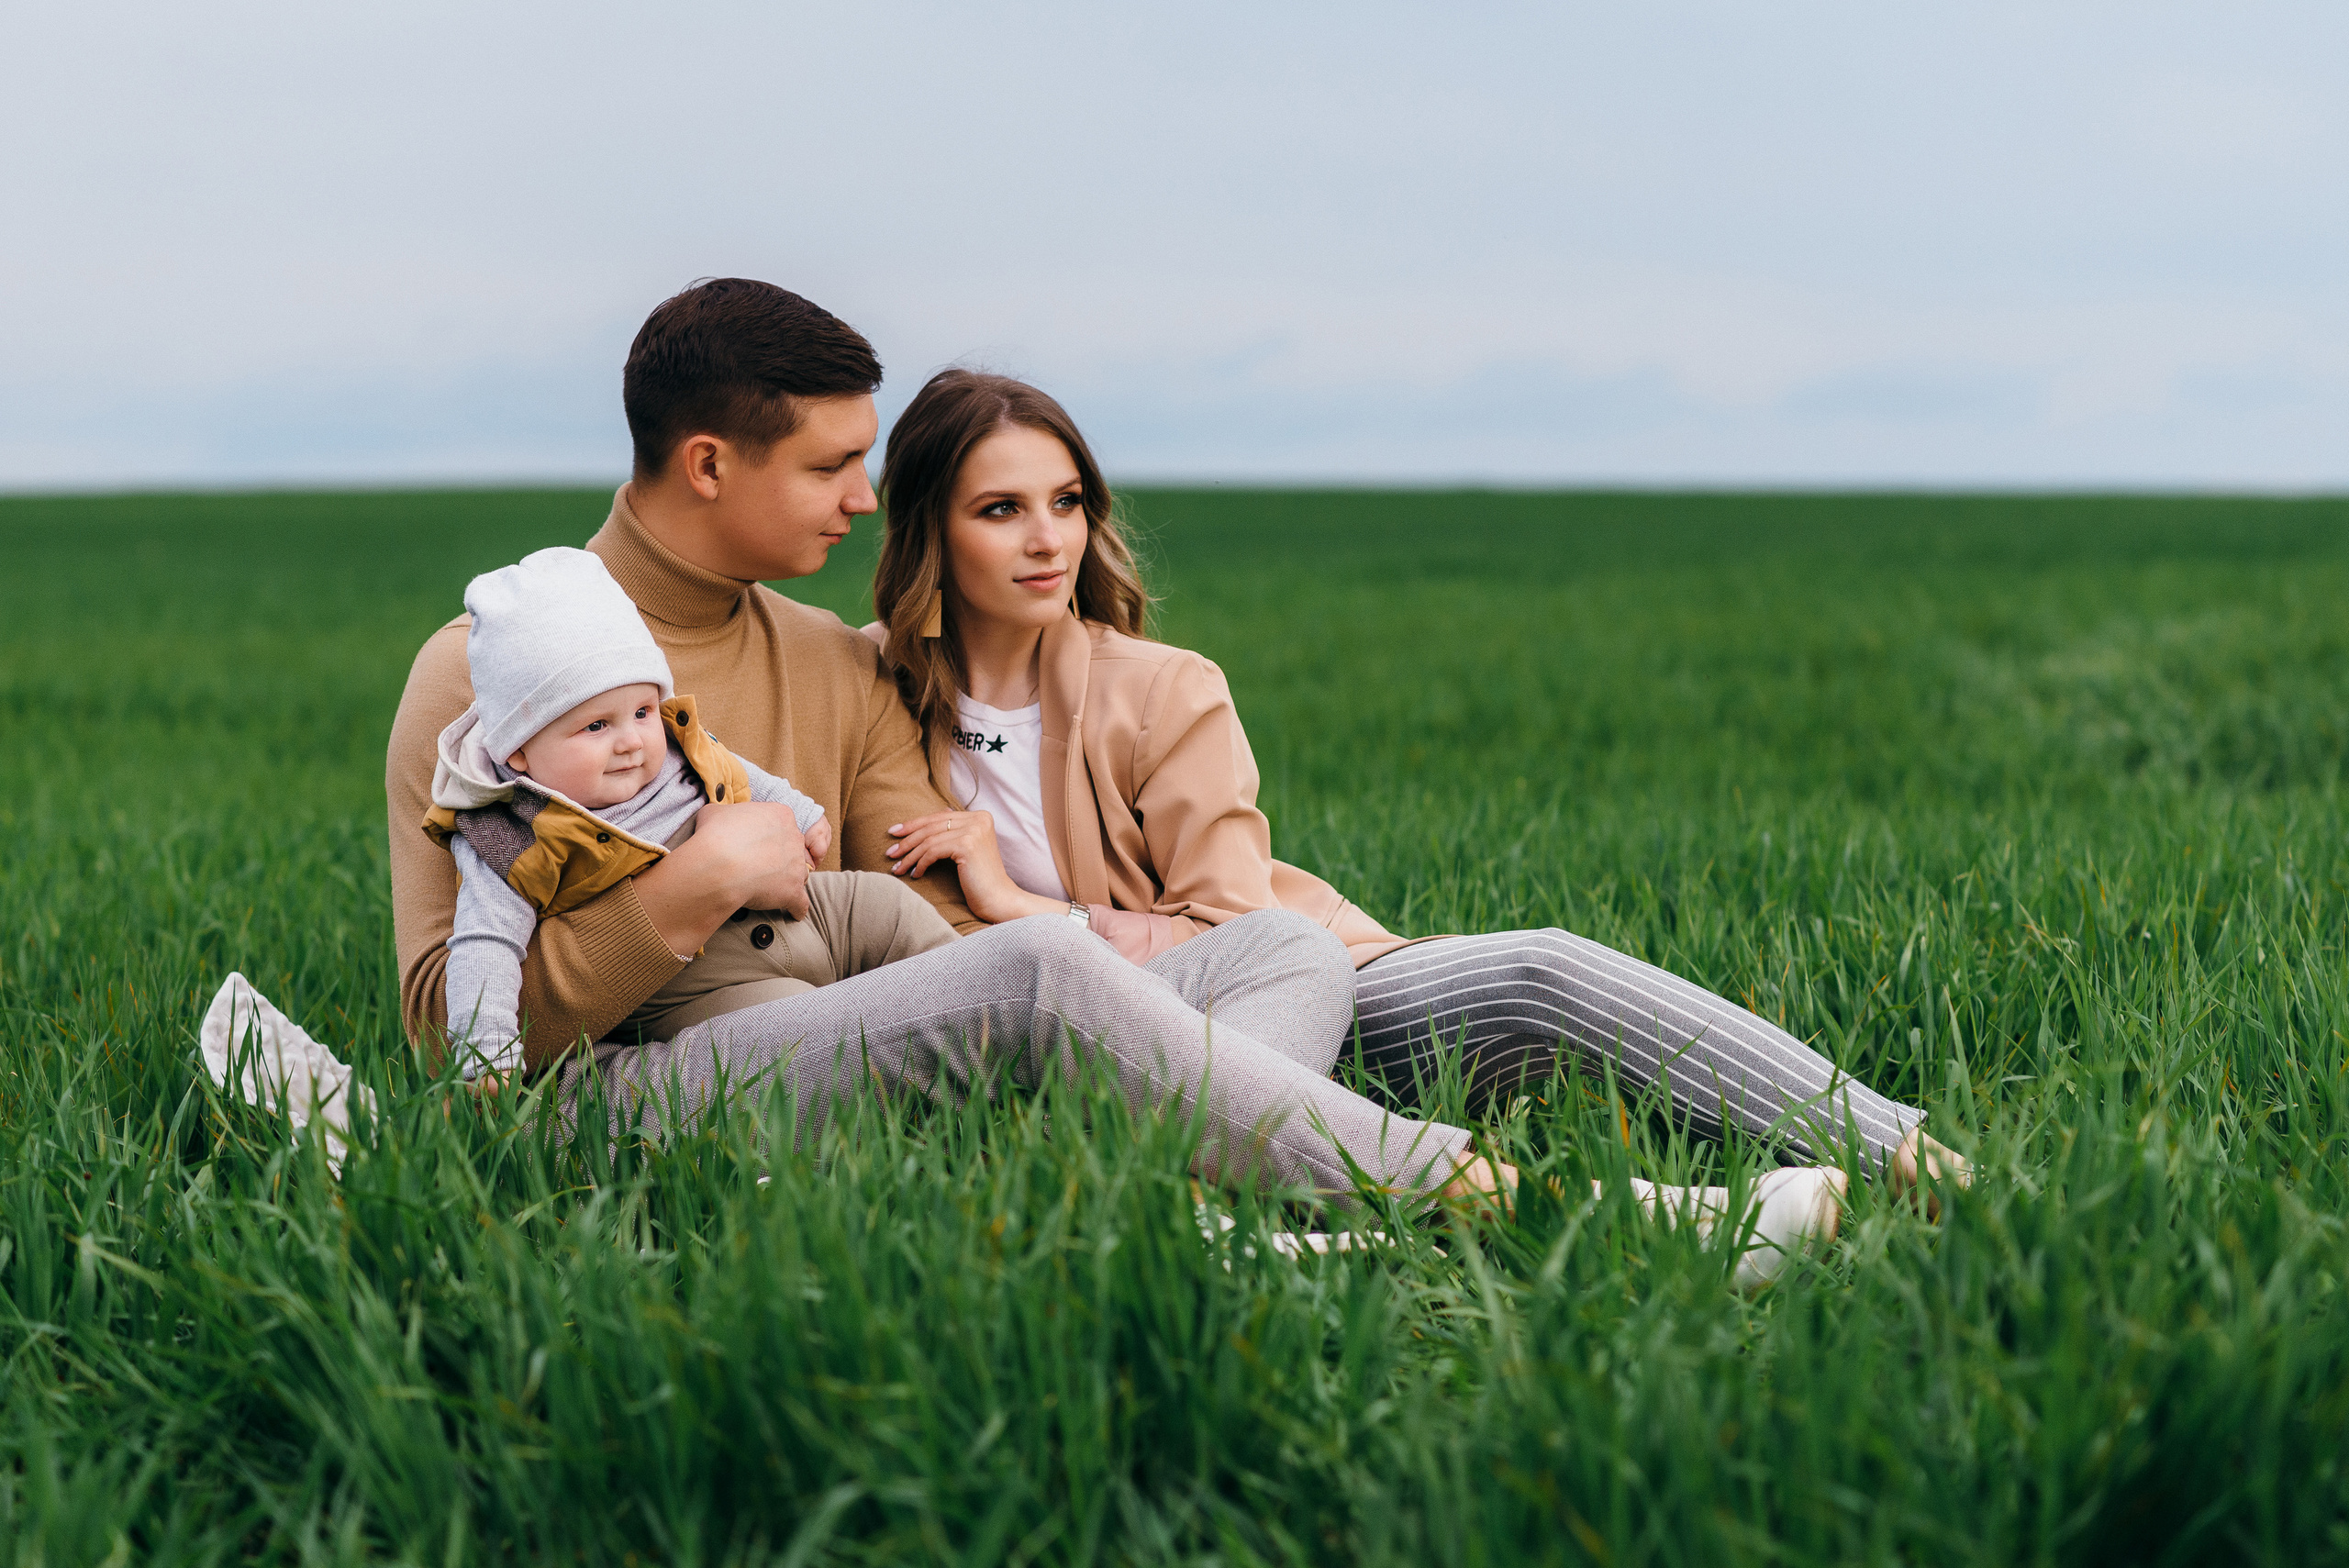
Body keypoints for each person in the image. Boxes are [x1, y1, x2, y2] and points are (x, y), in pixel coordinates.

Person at [384, 278, 1515, 1215]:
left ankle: (1177, 1209)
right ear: (709, 464)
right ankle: (1450, 1182)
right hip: (615, 1095)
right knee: (1039, 971)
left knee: (1283, 949)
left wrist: (1091, 988)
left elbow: (947, 942)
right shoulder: (486, 675)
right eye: (829, 466)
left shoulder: (835, 661)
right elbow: (445, 1033)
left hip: (836, 1040)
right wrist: (695, 883)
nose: (864, 499)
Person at [863, 369, 1967, 1208]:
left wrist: (1022, 907)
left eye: (1065, 501)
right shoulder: (864, 687)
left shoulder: (1160, 688)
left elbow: (1233, 927)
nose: (1047, 538)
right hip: (1031, 1046)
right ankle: (1321, 1211)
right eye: (1000, 509)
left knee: (1539, 968)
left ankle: (1912, 1160)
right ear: (929, 528)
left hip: (1289, 997)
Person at [428, 545, 958, 1087]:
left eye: (641, 711)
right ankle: (920, 1046)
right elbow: (486, 945)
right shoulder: (508, 835)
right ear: (518, 751)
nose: (631, 741)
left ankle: (974, 987)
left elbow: (735, 768)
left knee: (886, 906)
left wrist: (800, 813)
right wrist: (485, 1057)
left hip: (805, 914)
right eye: (596, 727)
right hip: (699, 987)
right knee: (795, 1021)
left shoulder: (672, 747)